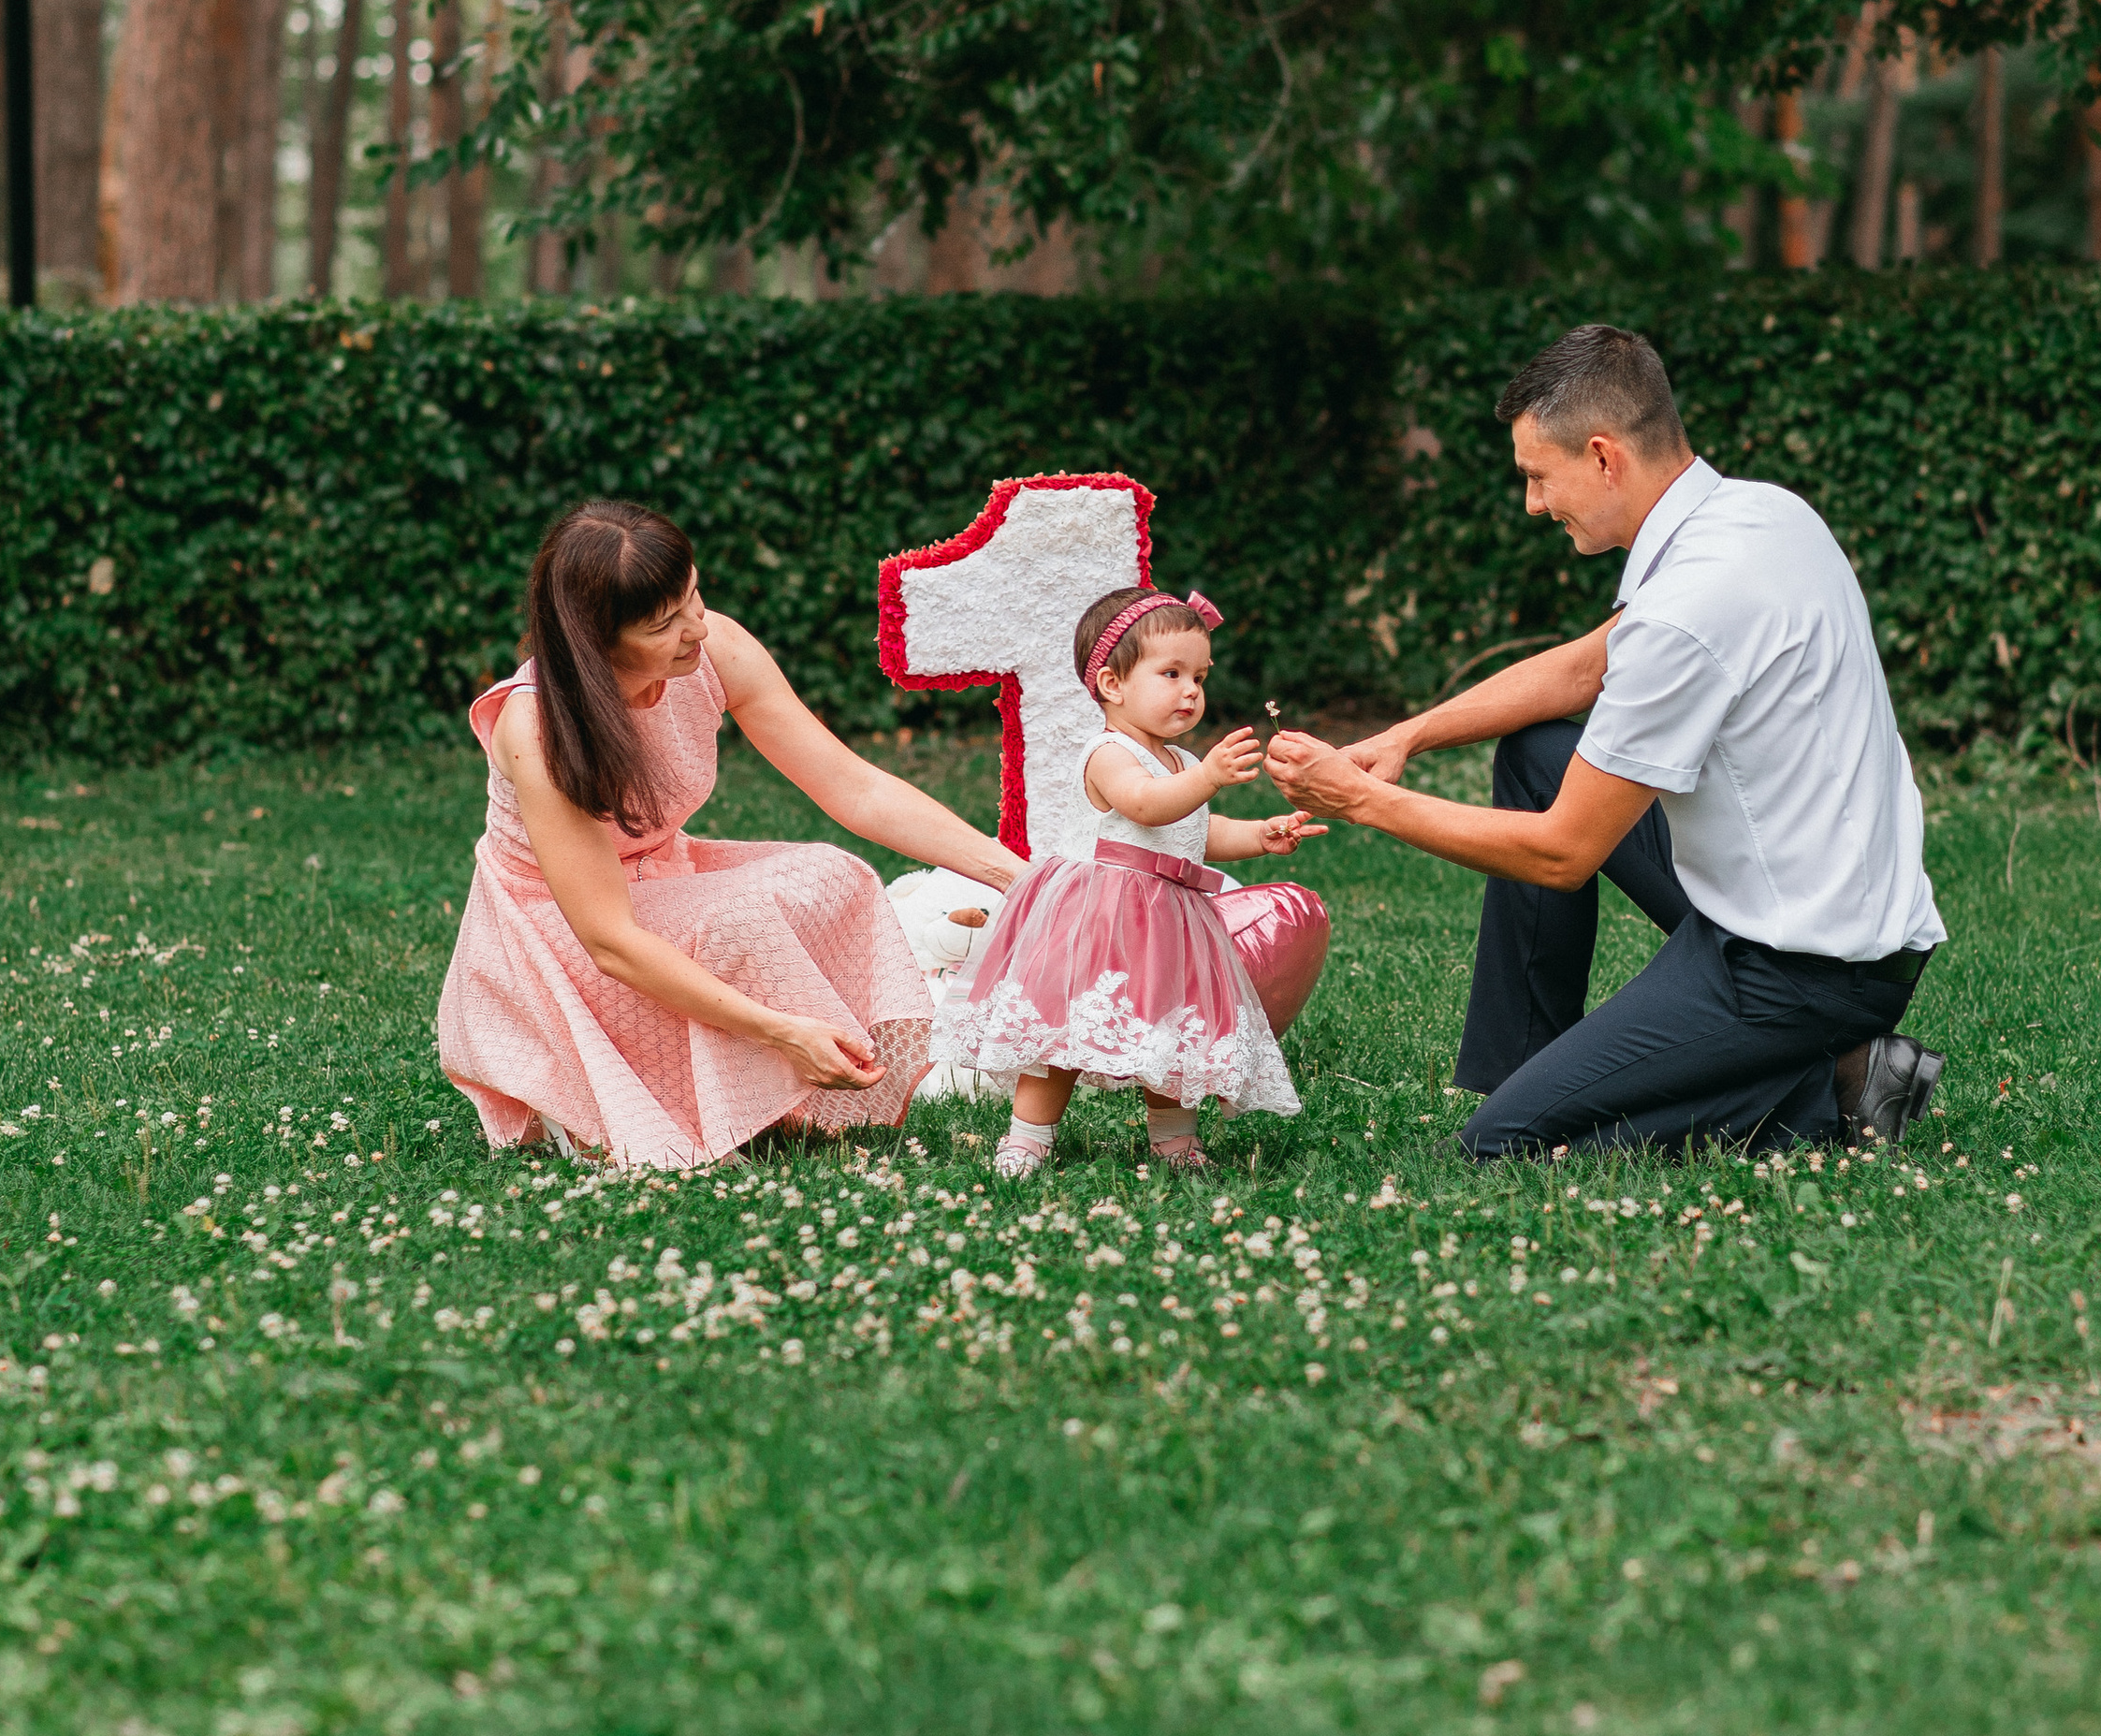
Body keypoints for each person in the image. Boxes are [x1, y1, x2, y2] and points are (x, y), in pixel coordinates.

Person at [1264, 325, 1946, 1160]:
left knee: (1507, 1144)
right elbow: (1587, 667)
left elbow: (1562, 853)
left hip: (1803, 969)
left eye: (1538, 478)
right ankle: (1525, 1064)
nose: (1533, 504)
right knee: (1535, 753)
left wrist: (1363, 800)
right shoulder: (1760, 513)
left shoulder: (1689, 610)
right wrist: (1407, 736)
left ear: (1603, 456)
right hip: (1847, 919)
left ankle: (1830, 1082)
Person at [439, 501, 1023, 1169]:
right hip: (558, 933)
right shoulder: (538, 730)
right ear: (597, 641)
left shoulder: (716, 645)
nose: (695, 628)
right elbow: (609, 940)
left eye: (695, 596)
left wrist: (1013, 875)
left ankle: (773, 1096)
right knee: (741, 918)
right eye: (665, 623)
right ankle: (708, 1088)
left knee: (837, 877)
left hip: (664, 876)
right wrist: (782, 1033)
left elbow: (853, 787)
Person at [929, 585, 1319, 1178]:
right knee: (1058, 1035)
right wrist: (1210, 776)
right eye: (1171, 673)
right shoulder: (1108, 754)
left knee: (1169, 1035)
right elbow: (1145, 807)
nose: (1191, 690)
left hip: (1167, 921)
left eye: (1200, 676)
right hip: (1098, 918)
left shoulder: (1182, 765)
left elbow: (1194, 833)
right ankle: (1027, 1138)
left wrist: (1259, 835)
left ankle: (1175, 1141)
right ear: (1112, 684)